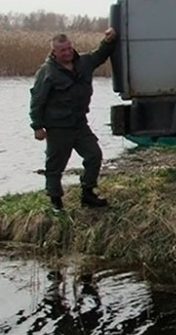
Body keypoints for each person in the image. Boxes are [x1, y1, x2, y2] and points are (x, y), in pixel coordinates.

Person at [29, 29, 117, 210]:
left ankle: (88, 193)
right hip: (58, 127)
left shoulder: (84, 62)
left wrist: (109, 40)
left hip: (79, 124)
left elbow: (100, 54)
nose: (68, 53)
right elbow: (37, 100)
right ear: (54, 52)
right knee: (55, 166)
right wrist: (37, 126)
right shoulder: (47, 72)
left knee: (94, 155)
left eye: (69, 48)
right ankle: (56, 202)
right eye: (63, 51)